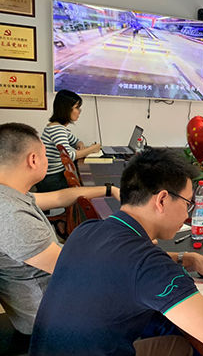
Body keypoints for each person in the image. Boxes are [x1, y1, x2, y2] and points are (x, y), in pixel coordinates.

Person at [30, 148, 203, 356]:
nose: (188, 213)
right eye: (187, 204)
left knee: (181, 345)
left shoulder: (87, 230)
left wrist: (185, 257)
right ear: (161, 200)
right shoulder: (149, 264)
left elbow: (121, 262)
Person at [0, 122, 120, 335]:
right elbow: (78, 268)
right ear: (33, 160)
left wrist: (109, 190)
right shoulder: (11, 214)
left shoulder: (11, 195)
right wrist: (127, 245)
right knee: (143, 296)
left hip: (56, 298)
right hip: (51, 318)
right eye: (46, 154)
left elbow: (58, 197)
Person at [36, 89, 102, 192]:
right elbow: (69, 155)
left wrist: (80, 145)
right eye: (77, 108)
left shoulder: (57, 127)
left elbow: (76, 141)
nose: (79, 111)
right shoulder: (57, 130)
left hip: (53, 176)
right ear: (66, 109)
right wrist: (92, 149)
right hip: (52, 179)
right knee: (90, 184)